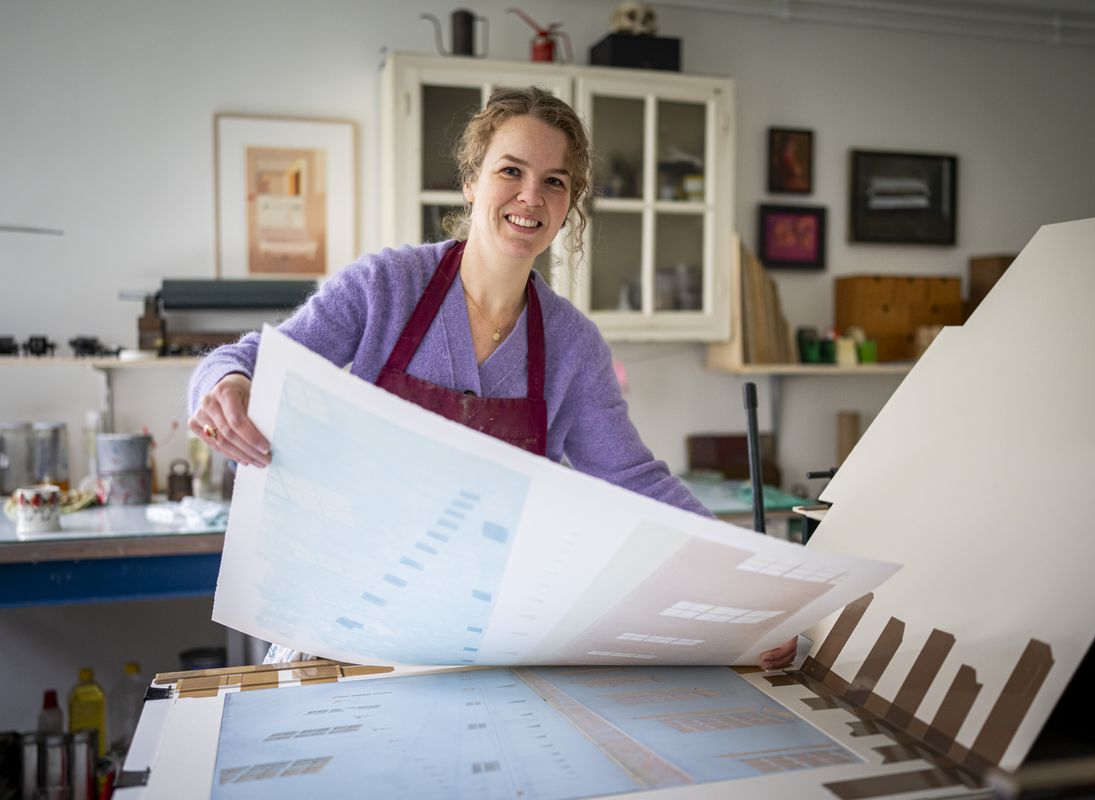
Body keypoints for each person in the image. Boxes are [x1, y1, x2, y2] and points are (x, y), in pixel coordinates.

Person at [187, 86, 796, 671]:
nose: (530, 196)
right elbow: (246, 362)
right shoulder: (385, 287)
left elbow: (635, 480)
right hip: (347, 622)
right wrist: (228, 385)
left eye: (554, 182)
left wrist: (749, 588)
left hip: (480, 637)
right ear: (471, 181)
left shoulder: (572, 347)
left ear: (567, 209)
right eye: (511, 171)